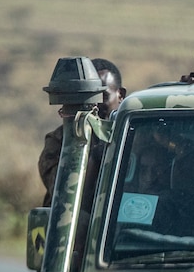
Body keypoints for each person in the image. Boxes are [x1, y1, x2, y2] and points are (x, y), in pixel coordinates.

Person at [38, 58, 127, 206]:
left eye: (102, 96)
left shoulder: (131, 137)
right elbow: (64, 193)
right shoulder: (60, 140)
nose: (95, 105)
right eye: (89, 98)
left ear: (121, 95)